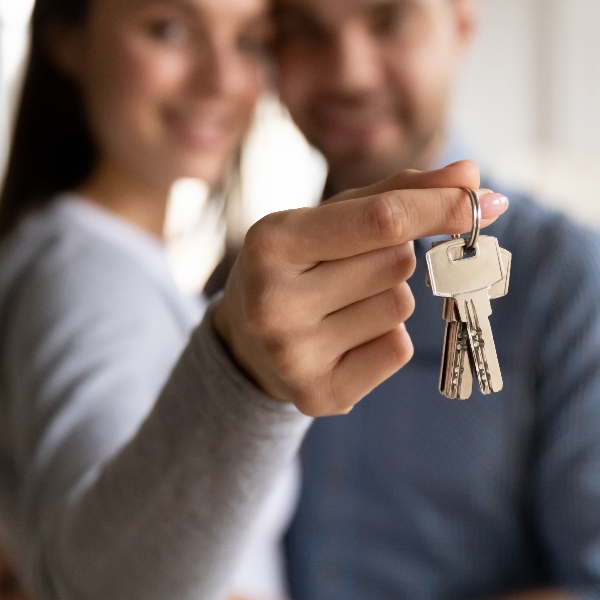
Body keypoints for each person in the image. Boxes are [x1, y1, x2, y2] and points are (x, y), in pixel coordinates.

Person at [0, 0, 508, 599]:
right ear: (67, 38)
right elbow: (98, 586)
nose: (222, 81)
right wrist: (241, 378)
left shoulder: (128, 265)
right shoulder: (85, 280)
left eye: (248, 41)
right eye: (170, 29)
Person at [272, 0, 600, 598]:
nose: (350, 73)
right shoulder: (244, 288)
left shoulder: (570, 279)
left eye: (389, 19)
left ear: (462, 26)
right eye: (305, 31)